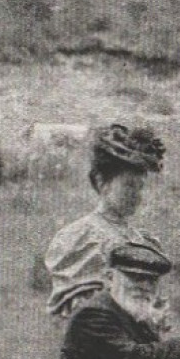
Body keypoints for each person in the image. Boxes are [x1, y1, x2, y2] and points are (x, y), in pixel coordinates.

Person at [44, 123, 166, 318]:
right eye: (128, 185)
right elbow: (75, 315)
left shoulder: (145, 241)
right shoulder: (78, 238)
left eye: (140, 187)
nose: (137, 195)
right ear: (102, 183)